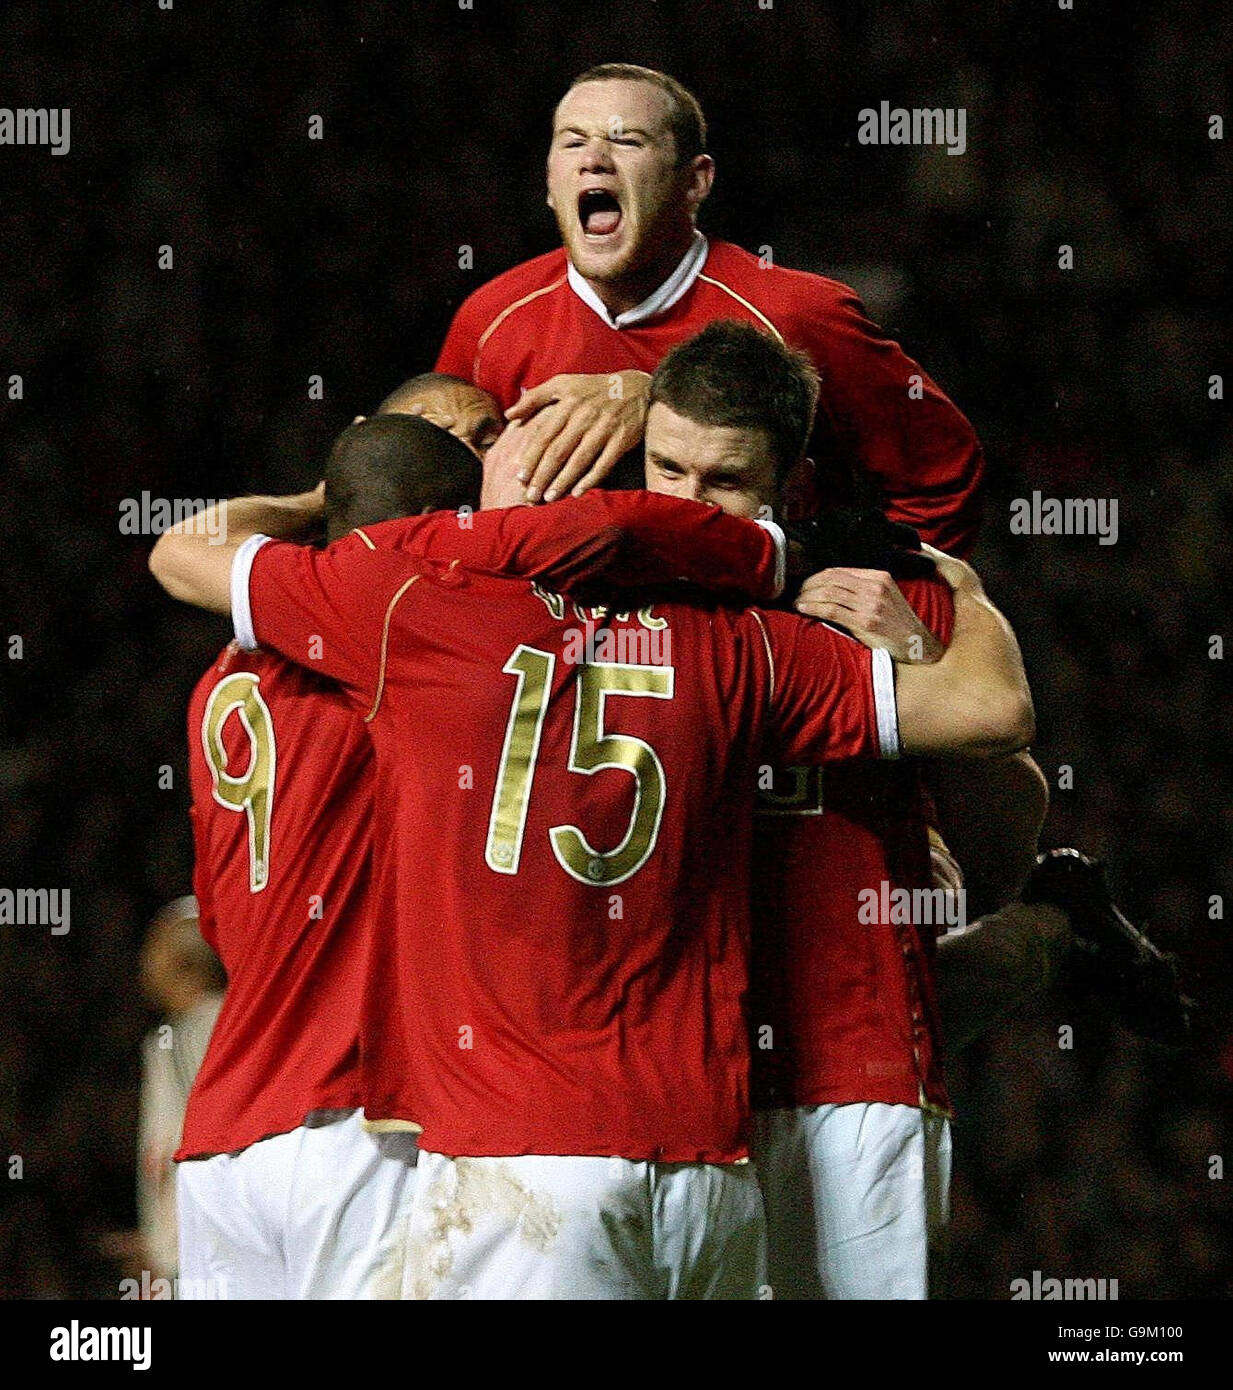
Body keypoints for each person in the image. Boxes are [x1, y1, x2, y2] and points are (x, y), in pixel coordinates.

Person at [149, 374, 1033, 1298]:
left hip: (455, 1143)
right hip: (699, 1144)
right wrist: (943, 585)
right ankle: (1047, 937)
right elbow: (994, 721)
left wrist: (336, 500)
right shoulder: (743, 640)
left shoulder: (398, 612)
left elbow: (181, 552)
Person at [435, 63, 983, 557]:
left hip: (760, 643)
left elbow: (944, 476)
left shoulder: (795, 315)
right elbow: (431, 489)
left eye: (627, 141)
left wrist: (883, 609)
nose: (595, 160)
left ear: (695, 181)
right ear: (551, 184)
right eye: (574, 142)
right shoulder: (491, 317)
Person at [135, 897, 224, 1290]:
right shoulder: (180, 1032)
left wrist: (164, 1245)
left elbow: (170, 1148)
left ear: (180, 963)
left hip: (208, 1246)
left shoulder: (186, 1037)